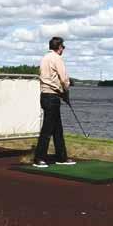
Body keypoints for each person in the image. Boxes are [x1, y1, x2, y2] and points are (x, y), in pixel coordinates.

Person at [33, 37, 75, 168]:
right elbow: (64, 79)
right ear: (59, 47)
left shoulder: (45, 58)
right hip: (52, 97)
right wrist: (66, 92)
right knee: (47, 129)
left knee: (58, 129)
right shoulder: (57, 58)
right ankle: (39, 158)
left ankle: (61, 157)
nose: (63, 49)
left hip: (45, 95)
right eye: (63, 47)